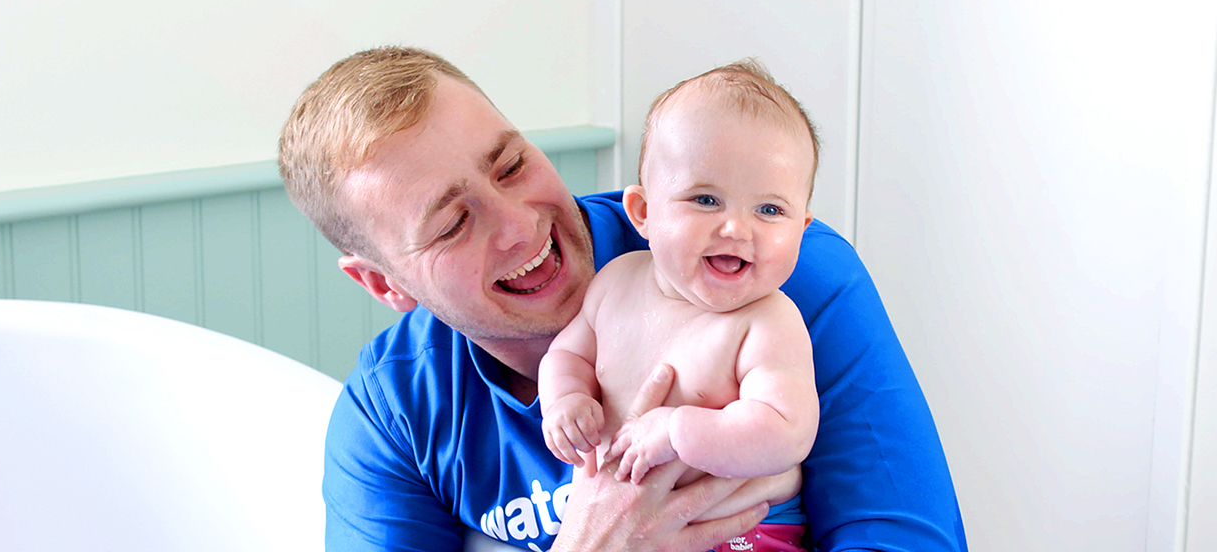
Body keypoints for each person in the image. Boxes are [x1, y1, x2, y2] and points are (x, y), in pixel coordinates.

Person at [278, 46, 968, 552]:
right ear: (384, 284)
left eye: (511, 165)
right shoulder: (394, 410)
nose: (521, 225)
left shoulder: (770, 277)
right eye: (454, 222)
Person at [539, 62, 820, 552]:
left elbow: (787, 431)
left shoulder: (767, 322)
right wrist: (564, 401)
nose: (736, 228)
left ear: (802, 227)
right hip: (619, 523)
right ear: (643, 213)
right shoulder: (615, 283)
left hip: (741, 529)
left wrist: (678, 429)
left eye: (769, 210)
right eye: (706, 199)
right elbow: (568, 355)